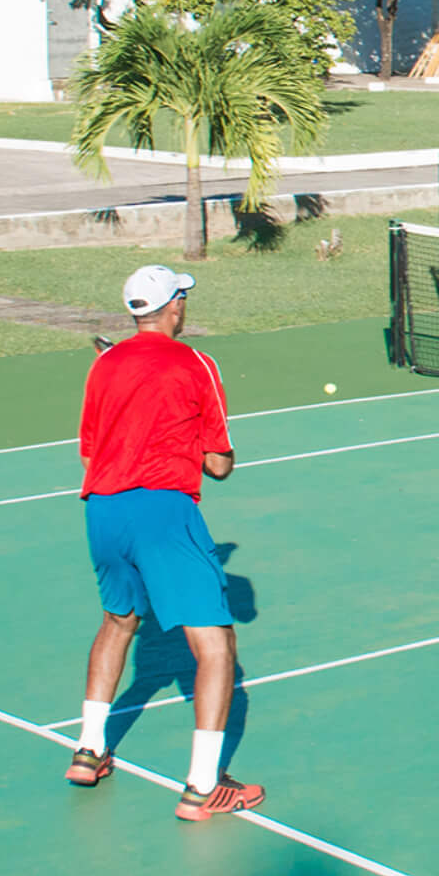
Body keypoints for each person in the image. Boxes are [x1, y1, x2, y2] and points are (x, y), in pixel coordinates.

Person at [66, 264, 263, 822]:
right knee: (216, 645)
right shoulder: (197, 363)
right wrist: (196, 444)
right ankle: (203, 786)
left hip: (103, 511)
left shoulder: (104, 366)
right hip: (164, 514)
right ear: (175, 304)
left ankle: (88, 751)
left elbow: (90, 450)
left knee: (118, 622)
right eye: (183, 297)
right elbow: (218, 464)